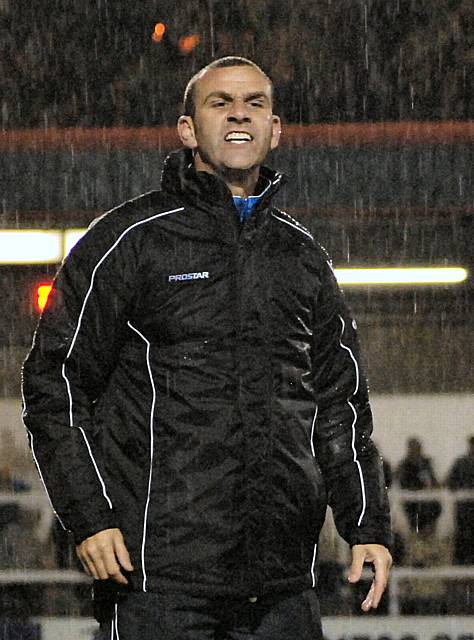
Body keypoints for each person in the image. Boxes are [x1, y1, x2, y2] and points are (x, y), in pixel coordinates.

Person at [21, 56, 392, 640]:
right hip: (159, 584)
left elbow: (338, 405)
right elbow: (55, 386)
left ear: (275, 130)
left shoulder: (303, 259)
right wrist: (90, 519)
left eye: (256, 103)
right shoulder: (128, 242)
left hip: (281, 586)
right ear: (188, 129)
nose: (239, 113)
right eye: (220, 103)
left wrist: (366, 523)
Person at [397, 436, 440, 531]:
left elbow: (433, 479)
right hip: (411, 499)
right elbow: (401, 481)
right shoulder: (404, 464)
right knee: (415, 522)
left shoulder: (427, 463)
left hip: (427, 498)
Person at [446, 435, 474, 564]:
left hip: (464, 509)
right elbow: (451, 483)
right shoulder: (461, 463)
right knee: (464, 539)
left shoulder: (461, 463)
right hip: (464, 510)